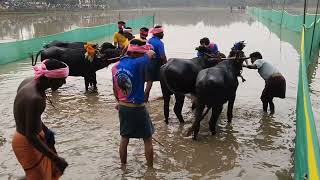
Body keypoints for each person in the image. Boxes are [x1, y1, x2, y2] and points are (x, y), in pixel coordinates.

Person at [12, 59, 69, 179]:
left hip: (36, 136)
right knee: (40, 176)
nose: (64, 82)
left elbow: (30, 117)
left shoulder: (28, 82)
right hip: (27, 142)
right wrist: (56, 158)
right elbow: (30, 136)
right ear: (50, 78)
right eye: (62, 79)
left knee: (42, 173)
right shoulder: (34, 98)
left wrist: (46, 131)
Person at [112, 39, 155, 167]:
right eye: (141, 53)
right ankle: (151, 170)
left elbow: (115, 89)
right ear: (136, 54)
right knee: (147, 139)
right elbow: (152, 52)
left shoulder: (115, 66)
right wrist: (145, 47)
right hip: (137, 107)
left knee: (124, 138)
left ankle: (123, 167)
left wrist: (119, 102)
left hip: (123, 107)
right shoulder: (139, 63)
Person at [145, 25, 167, 101]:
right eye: (162, 33)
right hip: (157, 64)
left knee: (149, 81)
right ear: (157, 34)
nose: (163, 34)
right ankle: (165, 95)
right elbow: (162, 56)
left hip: (148, 62)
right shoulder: (160, 43)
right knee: (163, 80)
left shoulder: (149, 40)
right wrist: (166, 64)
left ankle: (145, 98)